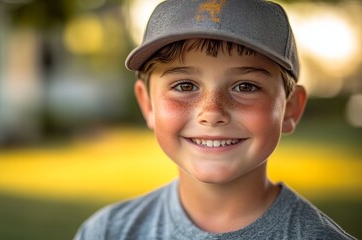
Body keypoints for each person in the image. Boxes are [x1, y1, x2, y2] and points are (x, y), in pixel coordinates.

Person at [74, 0, 356, 239]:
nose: (212, 112)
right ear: (147, 104)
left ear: (291, 109)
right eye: (185, 86)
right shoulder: (107, 231)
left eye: (245, 86)